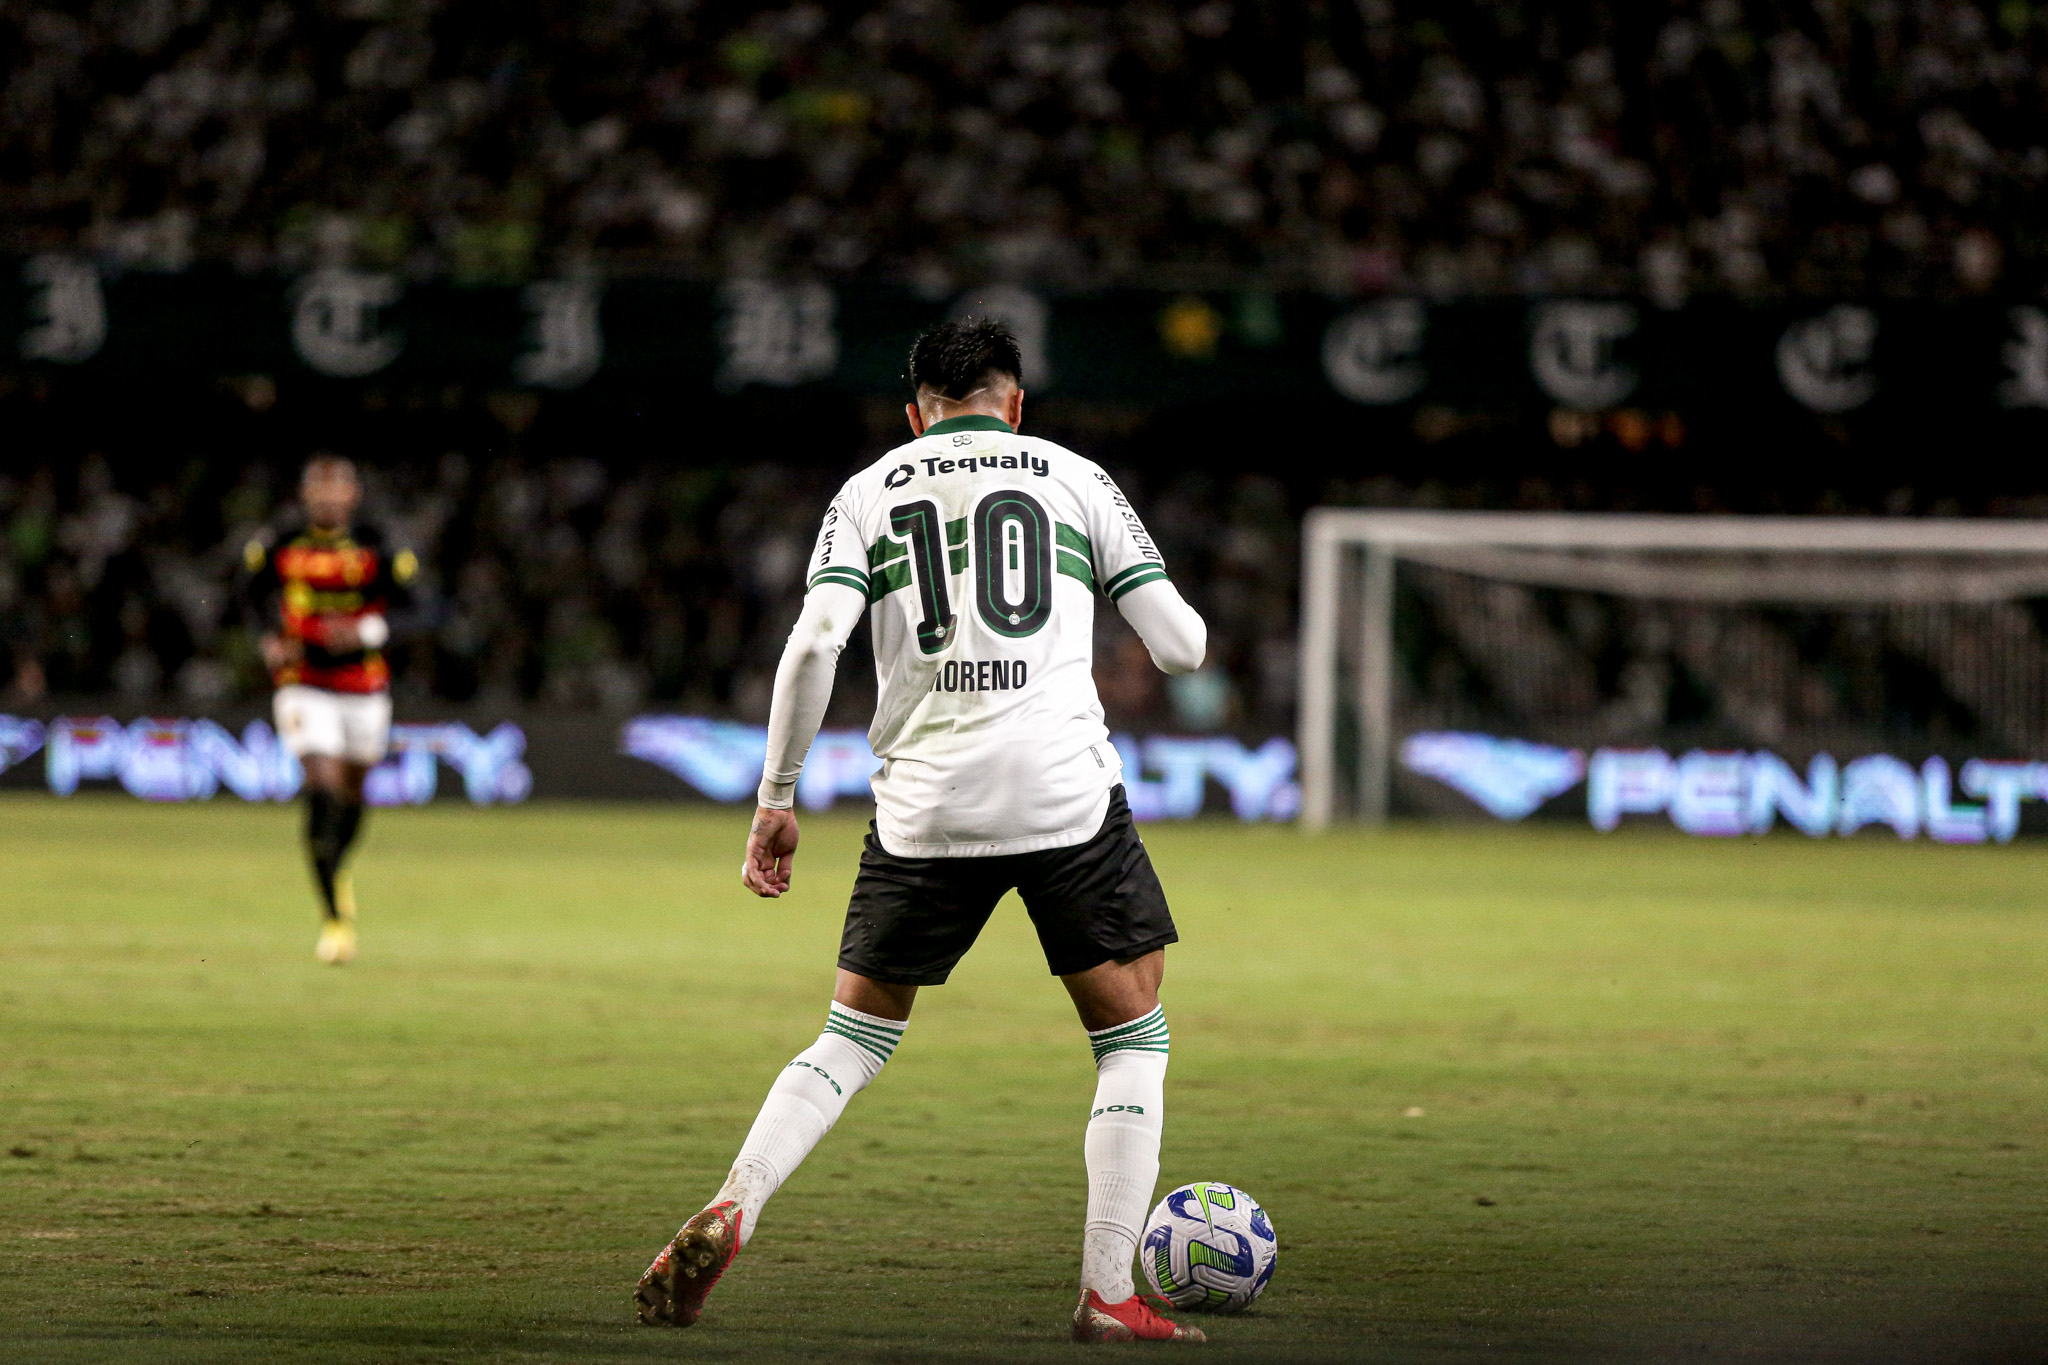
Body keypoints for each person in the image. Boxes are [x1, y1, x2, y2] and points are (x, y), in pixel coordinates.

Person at [635, 320, 1211, 1343]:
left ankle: (735, 1202)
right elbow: (1180, 647)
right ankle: (1105, 1293)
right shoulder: (1075, 478)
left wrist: (776, 797)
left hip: (922, 803)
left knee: (852, 1034)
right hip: (1059, 796)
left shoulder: (869, 492)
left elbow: (814, 643)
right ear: (1015, 402)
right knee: (1131, 1036)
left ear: (915, 414)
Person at [240, 454, 418, 965]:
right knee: (321, 787)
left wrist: (363, 631)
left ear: (353, 494)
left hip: (364, 683)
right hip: (303, 682)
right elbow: (248, 595)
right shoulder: (279, 541)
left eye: (337, 489)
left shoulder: (378, 544)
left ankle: (334, 868)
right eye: (319, 488)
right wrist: (268, 639)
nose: (328, 498)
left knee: (352, 794)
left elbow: (420, 607)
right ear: (306, 494)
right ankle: (335, 920)